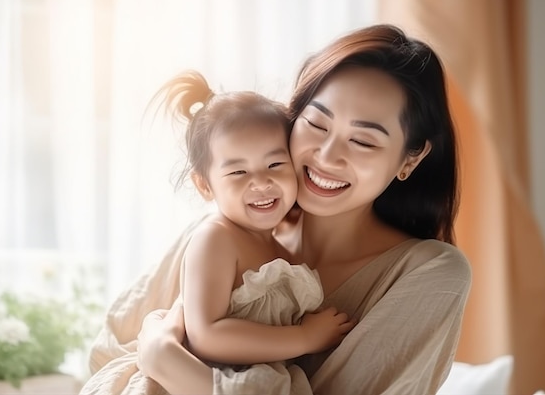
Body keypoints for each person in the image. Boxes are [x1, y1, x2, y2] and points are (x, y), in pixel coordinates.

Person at [81, 24, 472, 395]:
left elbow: (152, 351)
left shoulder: (428, 271)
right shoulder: (222, 232)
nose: (326, 155)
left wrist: (163, 357)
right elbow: (107, 360)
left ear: (411, 158)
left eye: (363, 142)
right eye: (317, 124)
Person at [143, 70, 356, 394]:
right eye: (238, 171)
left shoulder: (281, 248)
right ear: (204, 185)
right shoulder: (216, 238)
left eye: (275, 165)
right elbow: (207, 334)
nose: (260, 182)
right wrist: (303, 338)